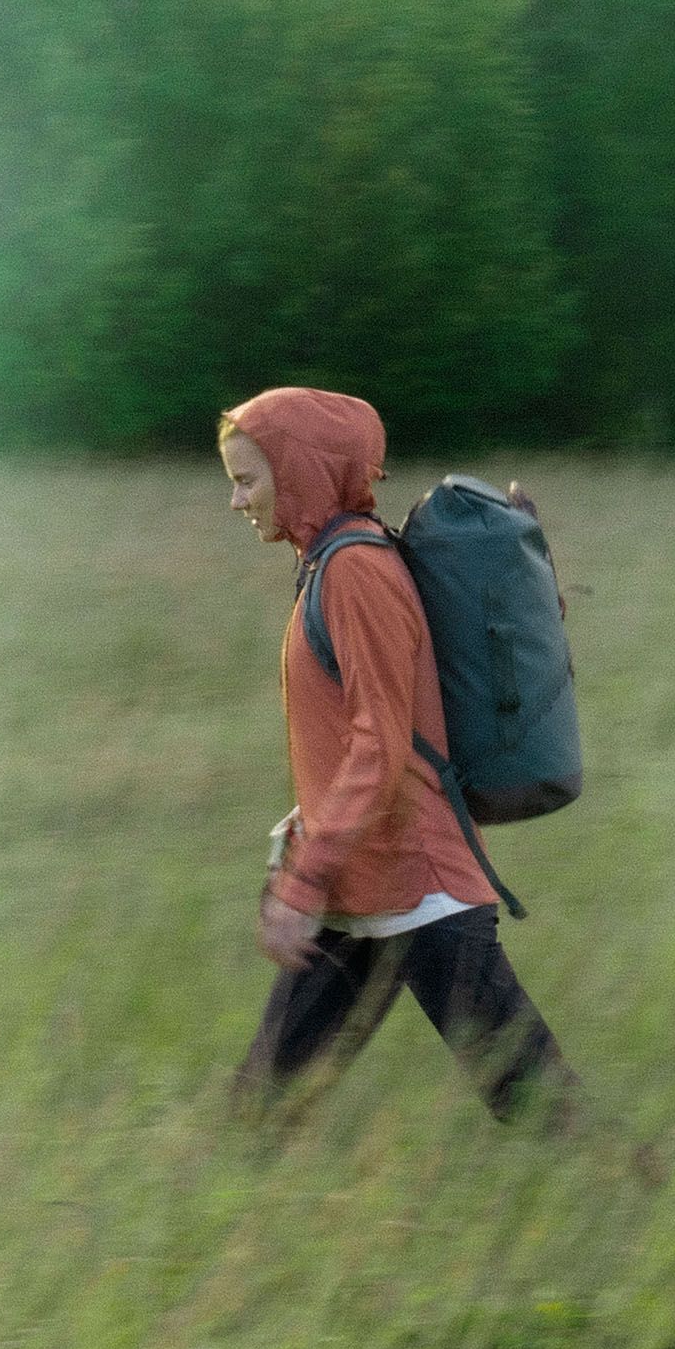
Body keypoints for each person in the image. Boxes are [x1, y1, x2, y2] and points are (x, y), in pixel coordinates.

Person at [218, 386, 584, 1128]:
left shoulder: (355, 572)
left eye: (245, 479)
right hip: (361, 888)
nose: (235, 501)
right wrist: (307, 849)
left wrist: (300, 884)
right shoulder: (326, 564)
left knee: (538, 1103)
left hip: (418, 888)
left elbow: (381, 746)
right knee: (260, 1107)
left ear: (301, 471)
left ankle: (639, 1202)